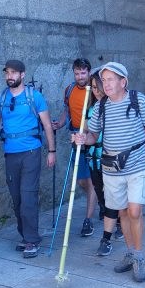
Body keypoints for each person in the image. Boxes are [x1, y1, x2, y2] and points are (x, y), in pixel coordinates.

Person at [73, 62, 145, 282]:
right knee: (123, 212)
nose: (105, 84)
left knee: (135, 211)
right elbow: (93, 137)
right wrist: (83, 139)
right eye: (103, 80)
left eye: (110, 79)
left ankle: (138, 256)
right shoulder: (100, 107)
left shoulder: (138, 101)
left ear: (123, 81)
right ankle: (129, 252)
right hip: (112, 168)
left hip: (138, 163)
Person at [0, 59, 56, 258]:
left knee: (27, 196)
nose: (10, 76)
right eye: (7, 72)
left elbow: (47, 125)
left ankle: (32, 240)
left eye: (14, 73)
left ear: (22, 74)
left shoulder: (35, 97)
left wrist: (51, 151)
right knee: (17, 199)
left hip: (31, 153)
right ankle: (26, 236)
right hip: (11, 155)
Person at [52, 58, 98, 237]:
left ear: (89, 72)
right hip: (75, 138)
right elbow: (67, 111)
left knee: (92, 180)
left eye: (83, 73)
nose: (80, 76)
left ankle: (88, 220)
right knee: (81, 181)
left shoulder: (95, 90)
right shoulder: (69, 90)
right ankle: (98, 198)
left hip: (93, 139)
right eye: (77, 73)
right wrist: (60, 124)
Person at [86, 68, 122, 257]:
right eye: (93, 88)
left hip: (112, 161)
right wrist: (82, 138)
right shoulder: (92, 109)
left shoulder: (114, 106)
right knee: (102, 196)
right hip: (94, 159)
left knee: (111, 198)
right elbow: (91, 134)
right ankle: (118, 222)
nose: (97, 91)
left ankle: (108, 236)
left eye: (98, 86)